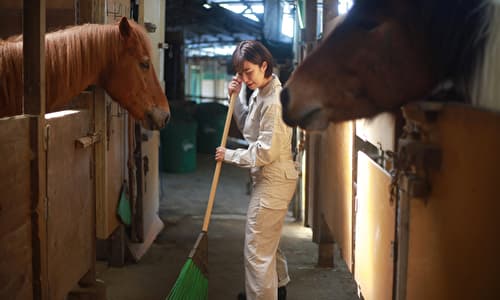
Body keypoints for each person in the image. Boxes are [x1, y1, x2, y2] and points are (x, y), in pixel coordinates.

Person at [215, 40, 298, 300]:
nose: (244, 77)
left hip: (274, 179)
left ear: (264, 65)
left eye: (248, 71)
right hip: (269, 179)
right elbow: (246, 124)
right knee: (267, 244)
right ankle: (278, 289)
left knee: (256, 250)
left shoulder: (274, 101)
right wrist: (237, 94)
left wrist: (230, 155)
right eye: (240, 73)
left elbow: (265, 151)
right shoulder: (260, 92)